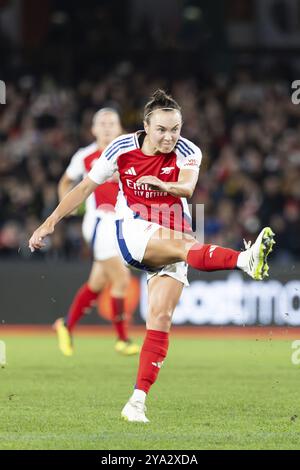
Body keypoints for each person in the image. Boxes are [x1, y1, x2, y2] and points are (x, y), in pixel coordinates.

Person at [29, 89, 275, 423]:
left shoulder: (189, 150)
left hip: (173, 234)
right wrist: (49, 223)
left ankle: (136, 401)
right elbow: (84, 187)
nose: (169, 136)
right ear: (146, 126)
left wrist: (160, 183)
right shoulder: (121, 148)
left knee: (160, 318)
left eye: (175, 129)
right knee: (185, 247)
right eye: (161, 129)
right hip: (133, 230)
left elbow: (187, 188)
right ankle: (243, 260)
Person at [54, 108, 140, 357]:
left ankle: (66, 325)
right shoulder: (84, 155)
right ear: (93, 129)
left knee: (97, 283)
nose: (106, 127)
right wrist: (66, 206)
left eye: (111, 123)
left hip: (123, 222)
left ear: (119, 128)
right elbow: (65, 181)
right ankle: (122, 339)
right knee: (122, 279)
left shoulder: (128, 152)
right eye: (101, 123)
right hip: (100, 223)